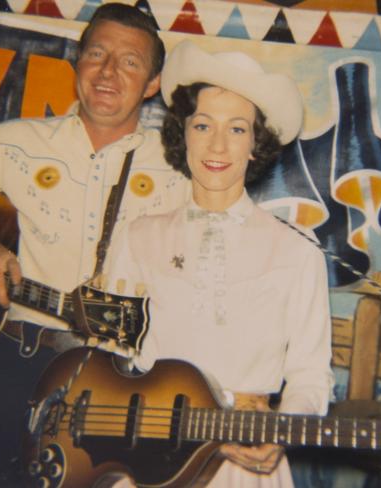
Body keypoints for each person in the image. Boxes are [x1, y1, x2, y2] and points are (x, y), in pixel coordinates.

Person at [0, 3, 190, 486]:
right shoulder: (16, 142)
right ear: (77, 63)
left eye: (130, 61)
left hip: (120, 381)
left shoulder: (179, 167)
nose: (109, 71)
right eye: (97, 53)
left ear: (152, 83)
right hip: (16, 366)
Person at [106, 40, 334, 487]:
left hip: (247, 464)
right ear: (183, 133)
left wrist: (280, 431)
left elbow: (311, 377)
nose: (217, 144)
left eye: (236, 129)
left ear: (255, 145)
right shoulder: (138, 236)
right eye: (203, 124)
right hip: (151, 458)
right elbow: (113, 359)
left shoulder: (298, 250)